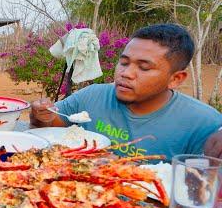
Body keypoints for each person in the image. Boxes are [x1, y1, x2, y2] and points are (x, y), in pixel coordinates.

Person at [30, 23, 222, 160]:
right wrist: (41, 115)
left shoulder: (205, 124)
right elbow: (47, 126)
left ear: (175, 79)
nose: (126, 73)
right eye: (124, 62)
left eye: (144, 67)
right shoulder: (92, 96)